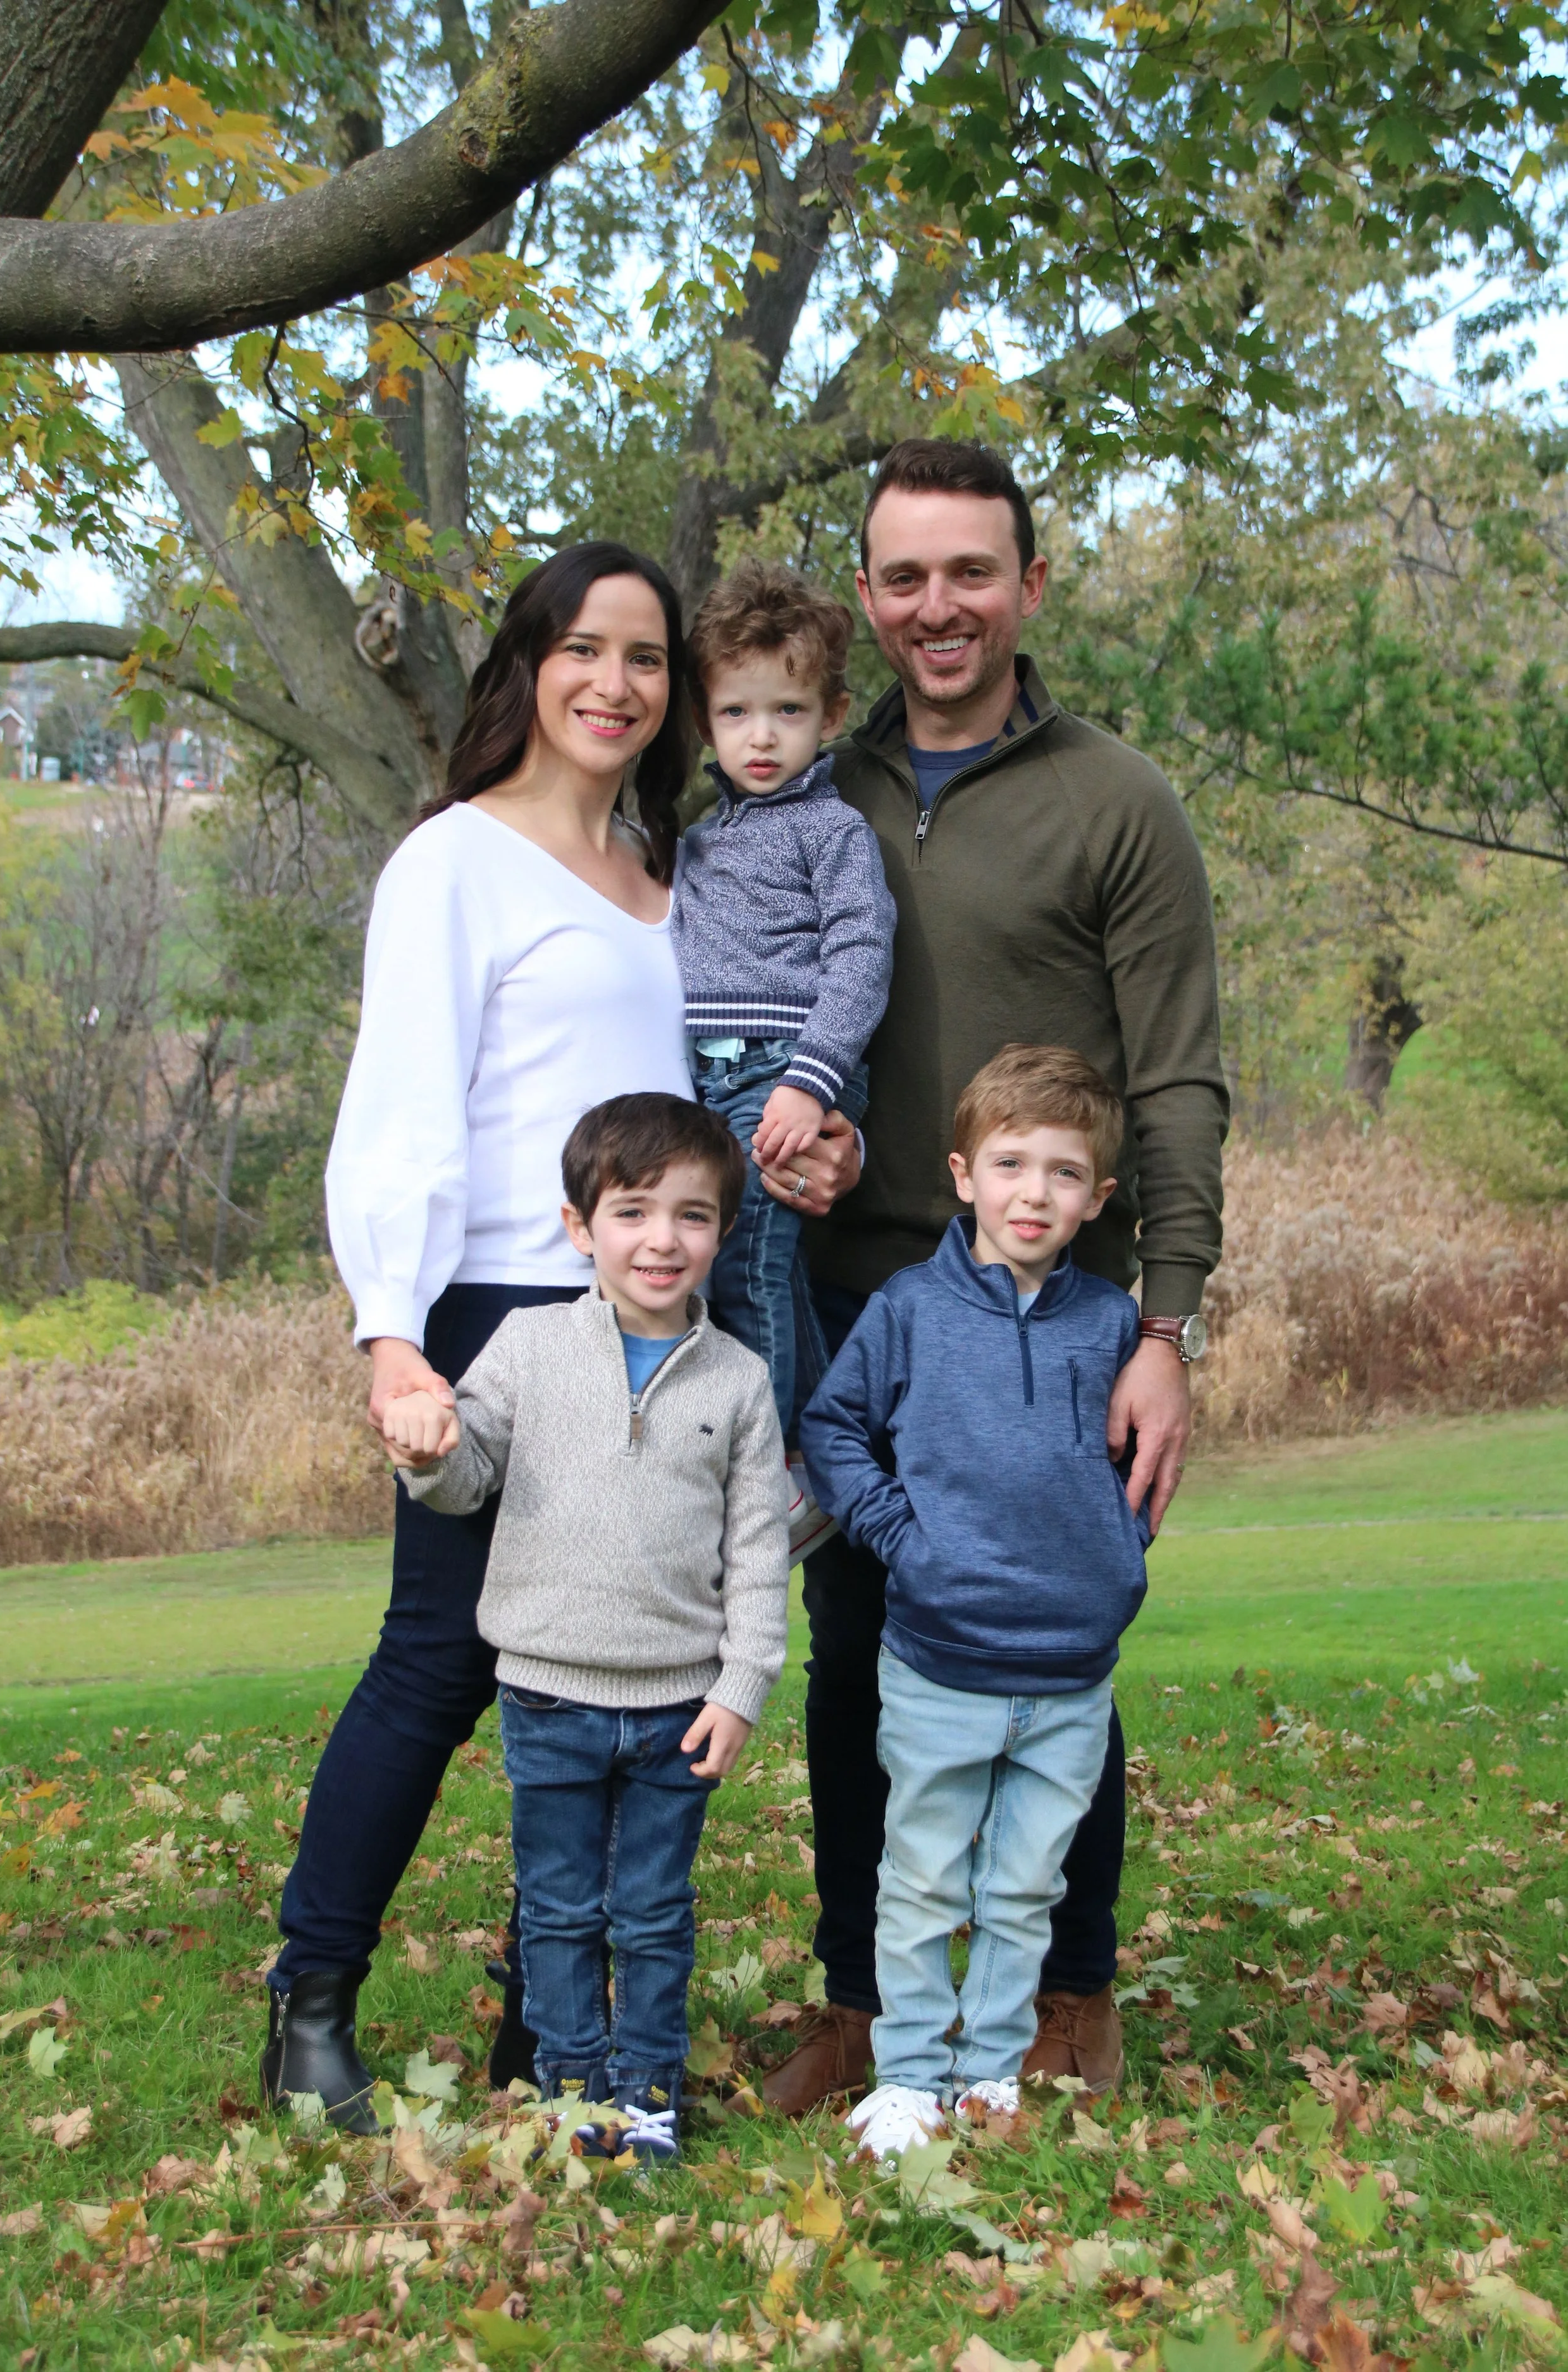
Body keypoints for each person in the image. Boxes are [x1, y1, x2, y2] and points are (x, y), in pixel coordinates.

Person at [256, 540, 843, 2135]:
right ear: (528, 665)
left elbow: (710, 1112)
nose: (616, 683)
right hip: (502, 1310)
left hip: (662, 1320)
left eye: (647, 659)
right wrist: (391, 1337)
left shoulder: (680, 877)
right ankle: (311, 1999)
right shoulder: (457, 859)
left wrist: (808, 1145)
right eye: (584, 648)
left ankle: (551, 2024)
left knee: (632, 1666)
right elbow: (399, 1114)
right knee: (444, 1658)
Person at [766, 438, 1228, 2116]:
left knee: (1051, 1639)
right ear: (868, 594)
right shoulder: (812, 792)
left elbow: (1175, 1074)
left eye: (970, 570)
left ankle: (1064, 1992)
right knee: (857, 1648)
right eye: (902, 576)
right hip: (861, 1296)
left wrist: (1164, 1322)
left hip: (1065, 1319)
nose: (935, 605)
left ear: (1029, 585)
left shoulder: (1116, 800)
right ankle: (859, 2002)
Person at [383, 1093, 790, 2165]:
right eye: (634, 1211)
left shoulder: (740, 1381)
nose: (663, 1238)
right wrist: (424, 1450)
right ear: (581, 1227)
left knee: (654, 1913)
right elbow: (464, 1475)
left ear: (722, 1232)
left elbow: (758, 1550)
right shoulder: (527, 1346)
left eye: (693, 1216)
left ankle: (648, 2090)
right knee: (558, 1912)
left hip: (677, 1708)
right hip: (550, 1694)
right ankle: (573, 2090)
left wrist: (741, 1684)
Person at [800, 1047, 1151, 2161]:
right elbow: (833, 1430)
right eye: (1010, 1163)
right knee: (921, 1876)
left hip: (1067, 1676)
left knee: (1023, 1883)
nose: (1034, 1193)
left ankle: (992, 2066)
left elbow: (1140, 1462)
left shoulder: (1110, 1326)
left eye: (1063, 1173)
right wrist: (905, 1537)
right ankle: (908, 2074)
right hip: (941, 1658)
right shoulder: (910, 1309)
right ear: (963, 1174)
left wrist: (1114, 1558)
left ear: (1098, 1198)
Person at [673, 560, 895, 1454]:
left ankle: (769, 1468)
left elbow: (861, 958)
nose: (760, 736)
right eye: (736, 712)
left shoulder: (832, 830)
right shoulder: (695, 841)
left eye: (788, 711)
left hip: (785, 1074)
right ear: (705, 721)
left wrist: (812, 1082)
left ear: (831, 715)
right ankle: (817, 1438)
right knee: (759, 1270)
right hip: (707, 1081)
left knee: (747, 1272)